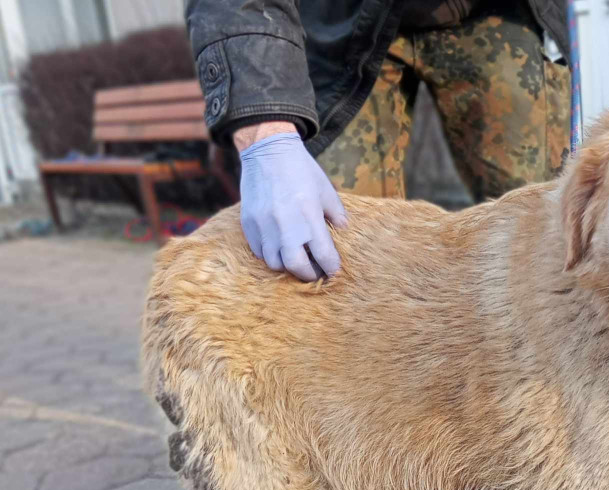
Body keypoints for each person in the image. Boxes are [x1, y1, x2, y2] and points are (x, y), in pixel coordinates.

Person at [185, 0, 571, 281]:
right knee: (319, 248)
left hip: (499, 11)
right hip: (343, 19)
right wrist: (265, 134)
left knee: (546, 230)